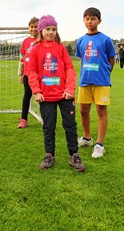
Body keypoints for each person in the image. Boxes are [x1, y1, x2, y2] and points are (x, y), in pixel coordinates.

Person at [27, 14, 85, 172]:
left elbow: (69, 69)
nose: (51, 32)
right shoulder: (36, 49)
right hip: (45, 97)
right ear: (41, 30)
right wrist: (37, 91)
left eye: (53, 29)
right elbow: (31, 71)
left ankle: (74, 155)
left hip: (64, 95)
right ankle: (49, 155)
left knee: (70, 126)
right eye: (47, 29)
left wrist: (69, 89)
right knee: (48, 127)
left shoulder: (60, 48)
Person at [75, 7, 116, 159]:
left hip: (101, 81)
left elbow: (112, 60)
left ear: (99, 20)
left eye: (93, 18)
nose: (90, 21)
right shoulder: (80, 41)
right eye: (87, 18)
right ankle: (87, 138)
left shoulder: (105, 39)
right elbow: (82, 59)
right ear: (84, 21)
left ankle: (100, 144)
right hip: (85, 80)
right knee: (83, 110)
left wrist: (105, 73)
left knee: (101, 111)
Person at [17, 17, 39, 129]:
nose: (34, 29)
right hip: (27, 73)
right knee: (27, 95)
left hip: (39, 73)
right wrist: (20, 73)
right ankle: (24, 119)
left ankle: (45, 117)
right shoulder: (25, 41)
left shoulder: (42, 40)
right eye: (32, 27)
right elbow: (22, 58)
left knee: (41, 95)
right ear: (28, 28)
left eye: (36, 26)